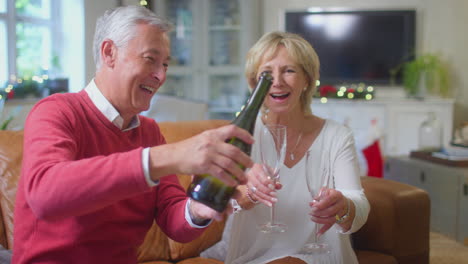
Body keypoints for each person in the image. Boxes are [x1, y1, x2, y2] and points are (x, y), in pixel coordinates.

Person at [12, 5, 254, 264]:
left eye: (165, 65)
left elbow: (174, 222)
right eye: (150, 59)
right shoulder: (57, 111)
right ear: (109, 53)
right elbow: (46, 194)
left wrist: (197, 210)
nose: (161, 76)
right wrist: (163, 157)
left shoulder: (149, 132)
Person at [219, 31, 370, 264]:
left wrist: (344, 206)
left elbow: (358, 206)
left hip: (320, 254)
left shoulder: (336, 135)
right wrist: (248, 193)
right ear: (254, 83)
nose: (277, 81)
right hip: (253, 254)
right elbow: (219, 202)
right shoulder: (241, 133)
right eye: (266, 74)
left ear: (307, 79)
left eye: (289, 70)